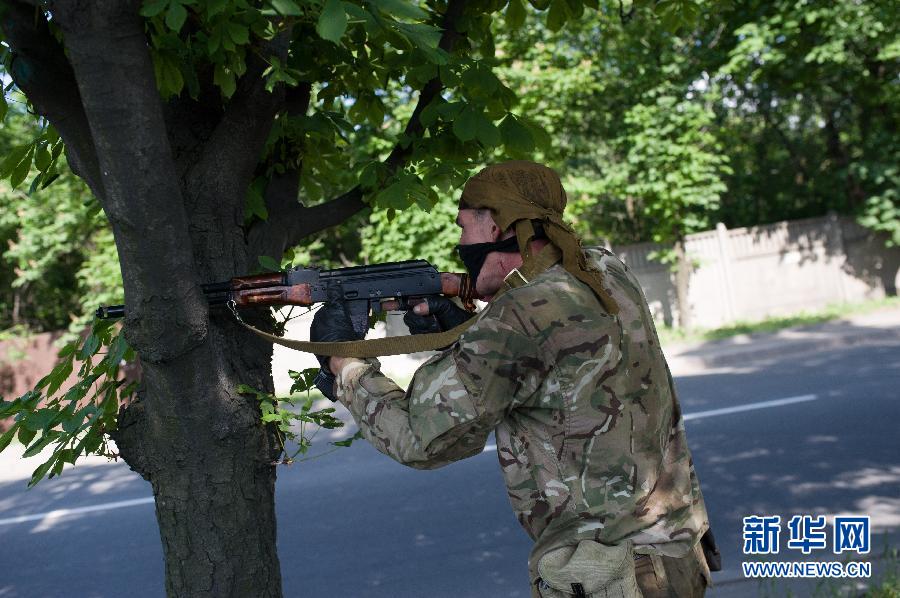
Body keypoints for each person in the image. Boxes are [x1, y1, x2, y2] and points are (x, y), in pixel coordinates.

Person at [310, 161, 713, 597]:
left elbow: (422, 440)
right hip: (675, 551)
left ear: (500, 226)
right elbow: (551, 365)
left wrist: (345, 366)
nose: (460, 243)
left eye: (465, 228)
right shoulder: (603, 270)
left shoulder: (518, 316)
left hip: (615, 576)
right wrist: (466, 338)